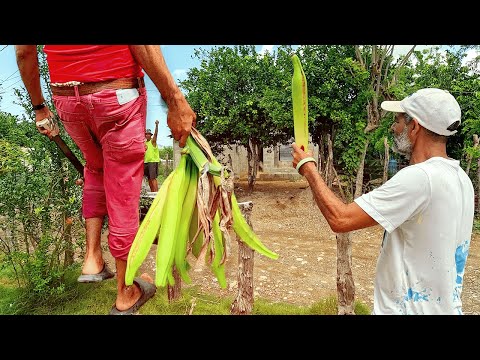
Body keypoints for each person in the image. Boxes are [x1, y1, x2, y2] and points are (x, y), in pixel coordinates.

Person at [15, 45, 196, 315]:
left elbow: (24, 52)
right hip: (117, 94)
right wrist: (175, 99)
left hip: (66, 100)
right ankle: (125, 292)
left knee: (95, 168)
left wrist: (40, 107)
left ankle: (92, 258)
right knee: (123, 187)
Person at [291, 88, 474, 315]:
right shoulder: (461, 179)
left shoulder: (420, 178)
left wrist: (308, 168)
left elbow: (340, 219)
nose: (393, 127)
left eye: (398, 121)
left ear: (415, 126)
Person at [144, 120, 160, 192]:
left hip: (152, 162)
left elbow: (156, 134)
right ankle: (152, 192)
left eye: (149, 134)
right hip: (146, 162)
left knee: (153, 178)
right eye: (146, 134)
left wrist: (156, 125)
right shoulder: (144, 143)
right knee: (149, 178)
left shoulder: (152, 142)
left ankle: (156, 193)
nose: (147, 135)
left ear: (151, 135)